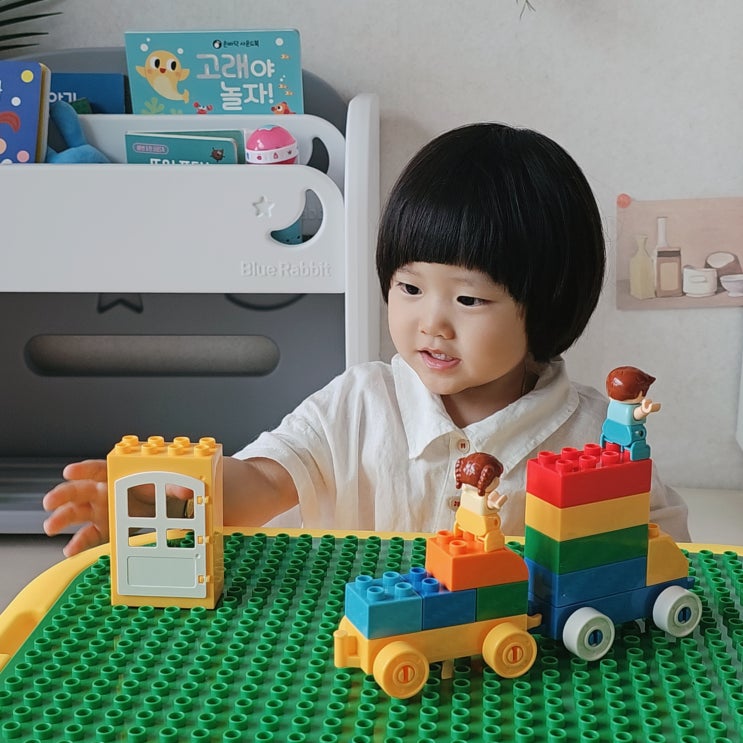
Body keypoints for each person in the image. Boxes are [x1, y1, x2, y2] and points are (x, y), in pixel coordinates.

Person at [43, 123, 690, 557]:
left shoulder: (594, 438)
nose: (431, 322)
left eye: (467, 299)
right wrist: (179, 498)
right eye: (409, 287)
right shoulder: (358, 402)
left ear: (547, 301)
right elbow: (263, 480)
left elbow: (667, 550)